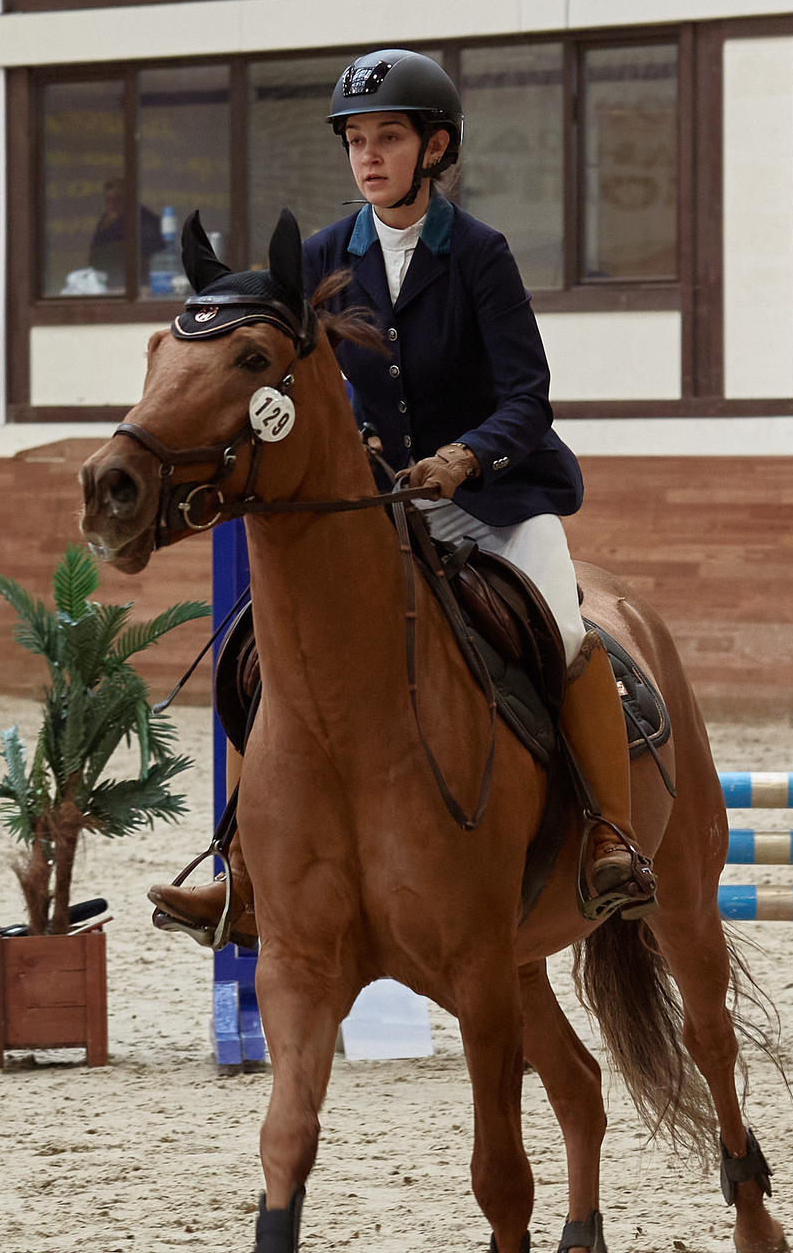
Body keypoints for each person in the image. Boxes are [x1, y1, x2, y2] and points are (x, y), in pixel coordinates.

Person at [148, 47, 653, 949]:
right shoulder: (320, 255)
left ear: (435, 146)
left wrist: (464, 459)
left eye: (388, 137)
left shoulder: (481, 255)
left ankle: (610, 833)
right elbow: (287, 364)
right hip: (378, 507)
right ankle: (240, 870)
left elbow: (528, 398)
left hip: (495, 499)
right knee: (267, 652)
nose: (369, 156)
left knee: (567, 633)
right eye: (356, 141)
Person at [86, 177, 163, 293]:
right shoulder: (105, 223)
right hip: (110, 285)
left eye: (118, 200)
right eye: (108, 200)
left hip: (142, 287)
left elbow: (149, 257)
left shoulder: (145, 222)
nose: (113, 205)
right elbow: (95, 258)